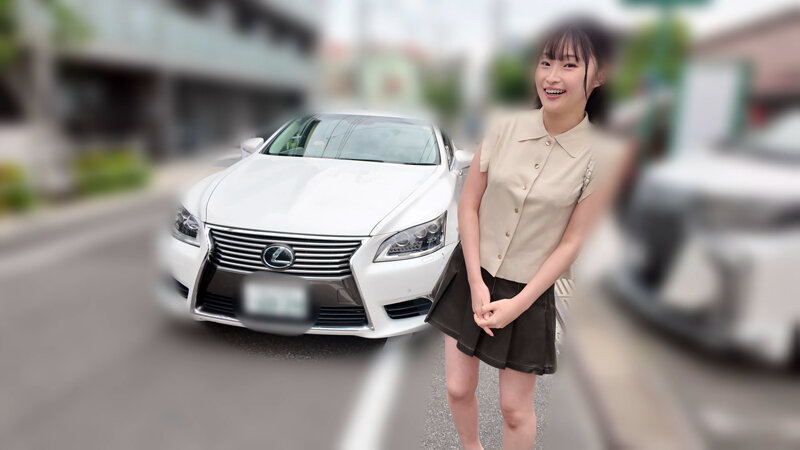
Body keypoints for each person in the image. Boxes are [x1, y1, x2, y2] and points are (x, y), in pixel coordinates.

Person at [424, 18, 633, 449]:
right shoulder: (502, 125)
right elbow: (469, 204)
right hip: (472, 273)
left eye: (570, 65)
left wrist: (518, 304)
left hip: (529, 289)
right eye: (546, 62)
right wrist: (477, 283)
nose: (552, 76)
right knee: (458, 389)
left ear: (600, 76)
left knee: (515, 410)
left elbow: (573, 242)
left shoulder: (605, 154)